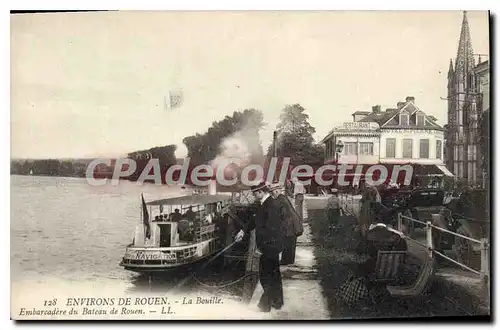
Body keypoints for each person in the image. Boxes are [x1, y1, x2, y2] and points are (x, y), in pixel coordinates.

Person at [235, 181, 284, 312]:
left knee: (265, 276)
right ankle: (277, 302)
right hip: (271, 246)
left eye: (254, 194)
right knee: (274, 275)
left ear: (260, 192)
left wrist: (260, 248)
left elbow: (270, 230)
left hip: (269, 246)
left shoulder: (270, 206)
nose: (253, 196)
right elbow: (255, 220)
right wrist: (243, 231)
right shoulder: (265, 204)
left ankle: (265, 305)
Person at [269, 183, 303, 265]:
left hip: (289, 225)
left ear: (276, 191)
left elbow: (281, 215)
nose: (271, 195)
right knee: (290, 244)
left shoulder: (279, 200)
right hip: (293, 224)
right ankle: (289, 261)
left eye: (272, 192)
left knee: (287, 243)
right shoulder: (283, 198)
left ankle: (286, 261)